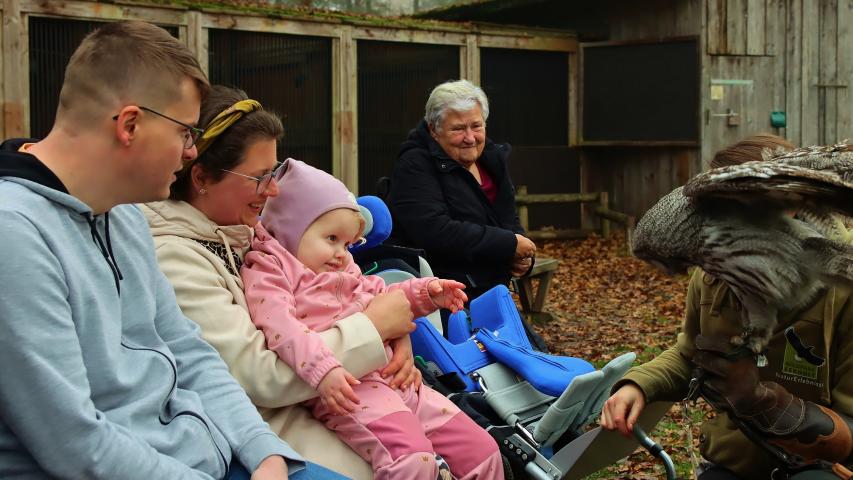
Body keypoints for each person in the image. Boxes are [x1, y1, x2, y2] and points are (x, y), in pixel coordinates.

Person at [0, 21, 336, 479]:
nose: (192, 152)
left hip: (211, 454)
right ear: (130, 125)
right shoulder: (15, 234)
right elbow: (75, 444)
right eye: (184, 132)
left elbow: (188, 350)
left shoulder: (124, 216)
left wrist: (264, 450)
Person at [142, 85, 421, 479]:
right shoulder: (176, 258)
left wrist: (398, 335)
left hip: (336, 400)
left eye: (273, 173)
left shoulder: (249, 232)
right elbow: (258, 377)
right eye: (259, 177)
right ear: (202, 177)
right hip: (273, 433)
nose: (273, 190)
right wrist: (375, 329)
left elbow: (342, 296)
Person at [600, 134, 853, 480]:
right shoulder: (712, 276)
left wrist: (767, 404)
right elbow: (691, 355)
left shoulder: (844, 287)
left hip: (823, 465)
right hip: (736, 459)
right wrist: (638, 385)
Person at [241, 158, 505, 479]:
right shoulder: (271, 268)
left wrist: (425, 293)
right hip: (353, 388)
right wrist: (323, 369)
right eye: (332, 238)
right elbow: (282, 327)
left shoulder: (343, 266)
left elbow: (379, 293)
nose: (342, 253)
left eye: (348, 243)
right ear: (291, 228)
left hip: (396, 379)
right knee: (412, 459)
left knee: (481, 451)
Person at [386, 79, 537, 302]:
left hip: (492, 291)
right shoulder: (415, 165)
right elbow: (435, 231)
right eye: (458, 129)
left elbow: (508, 217)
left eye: (476, 126)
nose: (469, 138)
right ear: (434, 130)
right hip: (444, 296)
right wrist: (508, 244)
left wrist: (522, 256)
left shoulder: (491, 160)